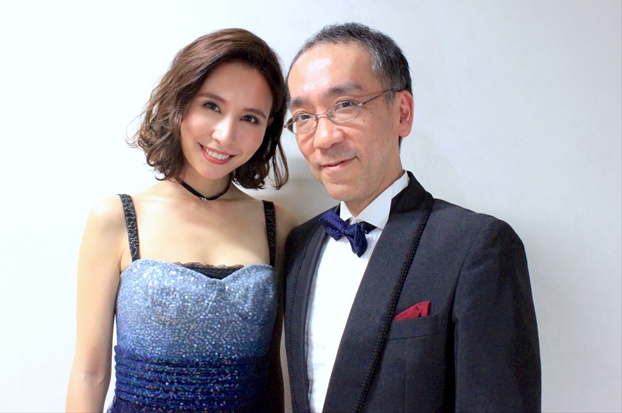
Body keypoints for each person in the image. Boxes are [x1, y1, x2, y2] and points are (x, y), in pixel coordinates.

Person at [283, 23, 541, 412]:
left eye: (345, 105)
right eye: (303, 116)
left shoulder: (476, 246)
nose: (323, 138)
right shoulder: (299, 245)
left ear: (402, 113)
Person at [66, 28, 297, 412]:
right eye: (212, 106)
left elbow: (272, 371)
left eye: (250, 118)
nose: (225, 135)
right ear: (180, 102)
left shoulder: (279, 225)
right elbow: (89, 373)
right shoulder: (117, 218)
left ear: (267, 128)